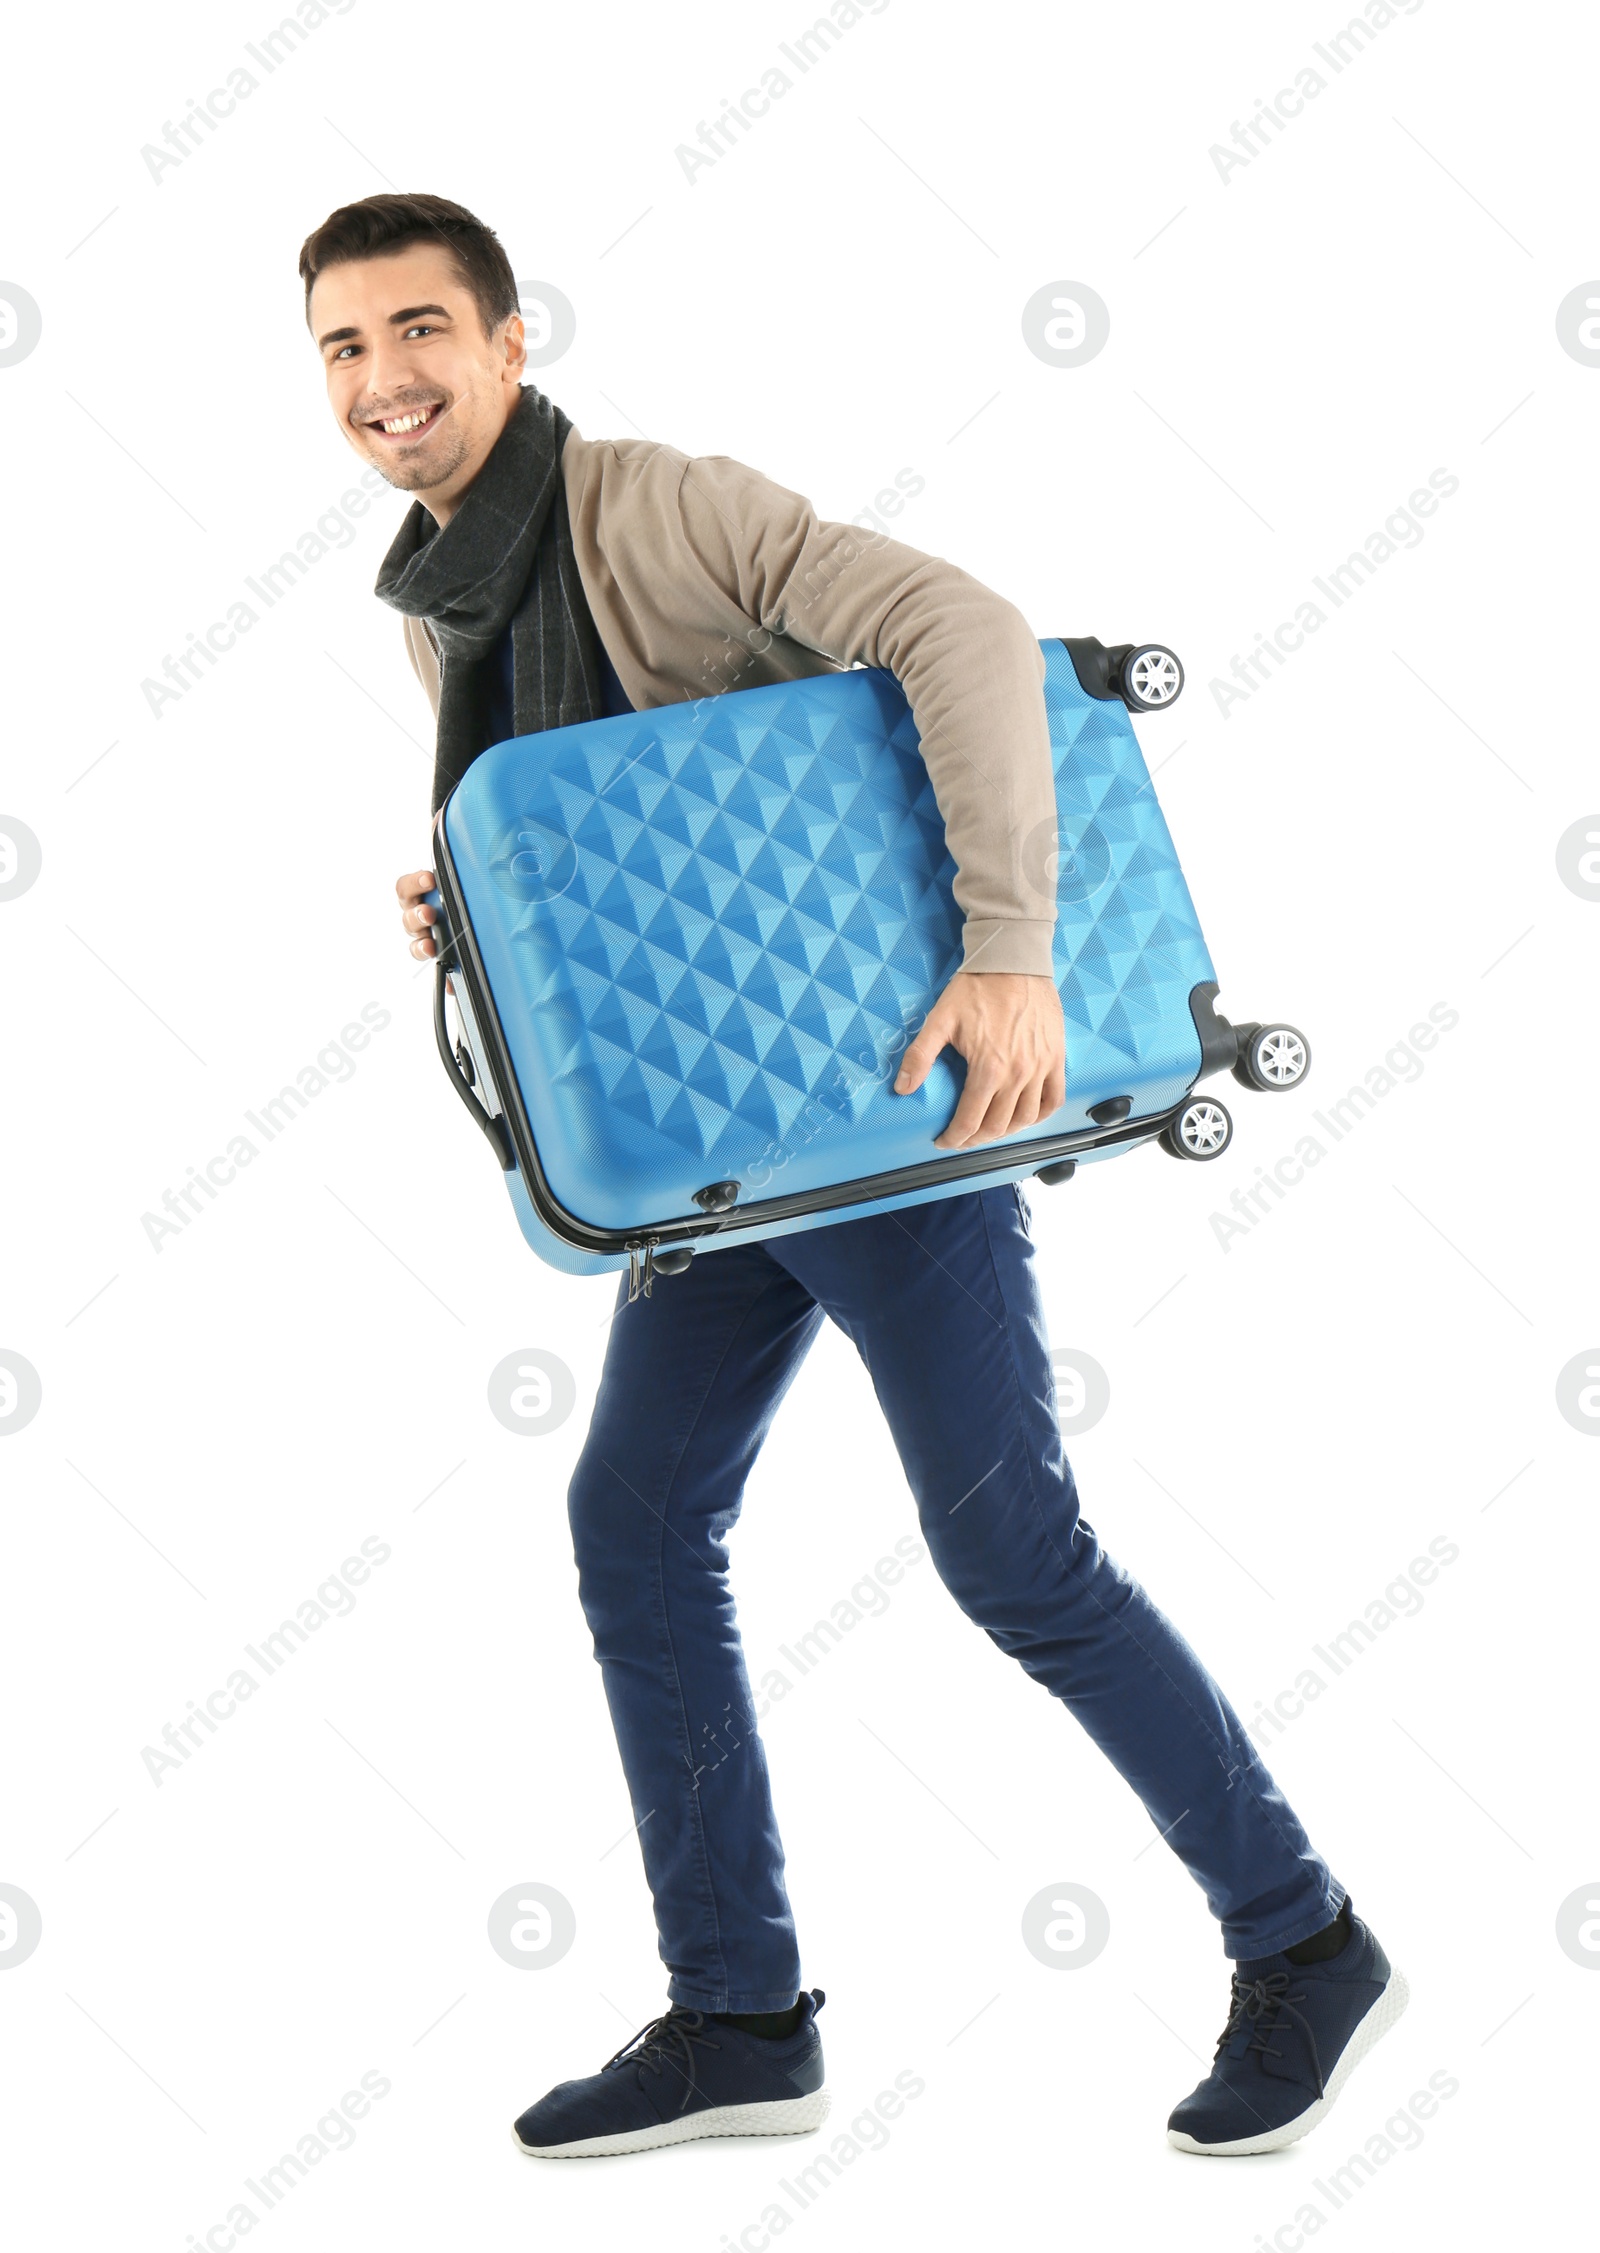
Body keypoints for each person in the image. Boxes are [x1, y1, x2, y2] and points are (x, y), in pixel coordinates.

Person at [300, 191, 1407, 2163]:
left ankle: (1301, 1933)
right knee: (635, 1519)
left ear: (504, 341)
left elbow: (957, 627)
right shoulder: (430, 601)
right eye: (341, 348)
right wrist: (464, 898)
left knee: (1010, 1558)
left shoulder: (657, 504)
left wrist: (1006, 950)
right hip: (725, 1159)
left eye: (417, 332)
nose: (383, 381)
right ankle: (740, 2010)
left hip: (886, 1120)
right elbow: (621, 828)